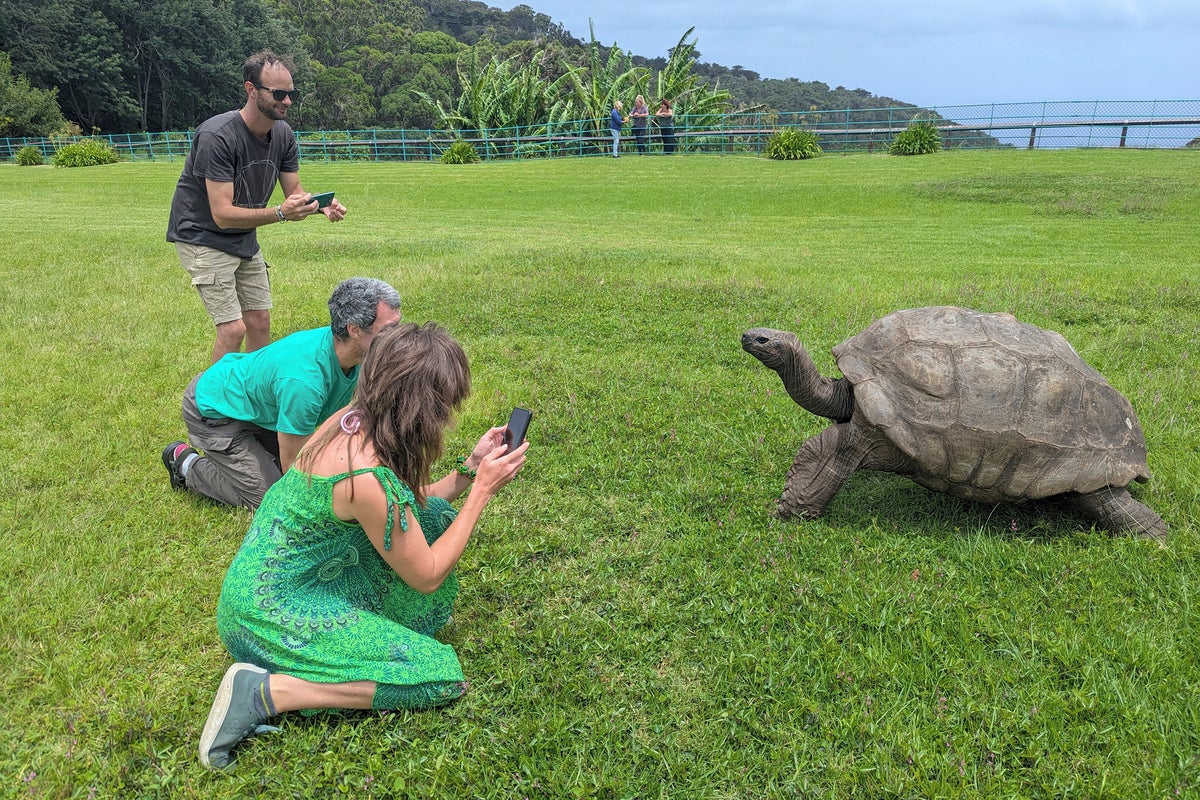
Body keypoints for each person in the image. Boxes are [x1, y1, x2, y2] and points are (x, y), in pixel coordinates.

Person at [197, 322, 529, 770]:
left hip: (266, 589)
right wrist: (483, 492)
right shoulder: (368, 479)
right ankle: (268, 692)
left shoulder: (350, 421)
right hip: (270, 615)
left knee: (430, 518)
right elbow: (427, 574)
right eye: (445, 407)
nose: (448, 418)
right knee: (434, 675)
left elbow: (407, 509)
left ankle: (327, 656)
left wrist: (470, 469)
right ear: (421, 408)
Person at [166, 50, 349, 364]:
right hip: (202, 236)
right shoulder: (218, 136)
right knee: (233, 329)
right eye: (278, 94)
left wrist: (320, 206)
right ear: (251, 90)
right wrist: (280, 213)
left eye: (291, 94)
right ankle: (210, 406)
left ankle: (253, 398)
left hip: (243, 236)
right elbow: (222, 215)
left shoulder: (283, 134)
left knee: (259, 323)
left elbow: (295, 193)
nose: (287, 101)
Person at [161, 277, 401, 510]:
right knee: (270, 498)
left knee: (319, 463)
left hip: (255, 411)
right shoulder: (304, 382)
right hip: (213, 412)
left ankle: (249, 455)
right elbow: (293, 465)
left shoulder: (357, 354)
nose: (399, 337)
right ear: (355, 330)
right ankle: (185, 462)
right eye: (390, 329)